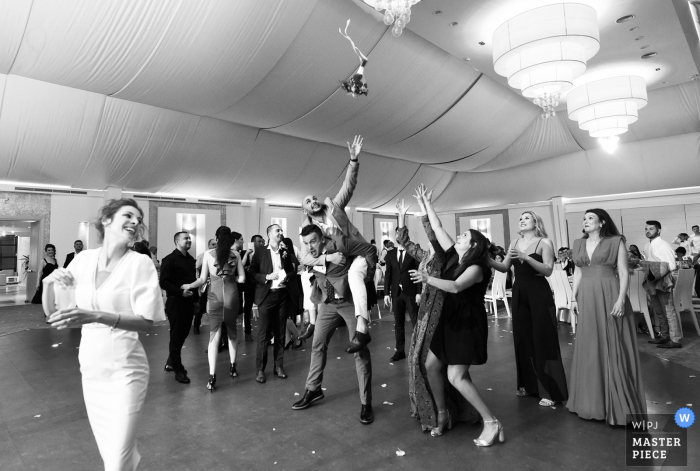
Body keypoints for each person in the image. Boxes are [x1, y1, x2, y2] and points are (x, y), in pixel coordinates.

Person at [42, 198, 165, 470]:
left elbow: (147, 322)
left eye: (139, 219)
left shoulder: (139, 263)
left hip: (127, 371)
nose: (135, 222)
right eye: (129, 215)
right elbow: (55, 314)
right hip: (92, 371)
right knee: (113, 454)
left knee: (117, 460)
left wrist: (96, 316)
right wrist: (48, 284)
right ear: (107, 220)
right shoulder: (82, 260)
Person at [407, 186, 503, 446]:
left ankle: (491, 422)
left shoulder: (477, 267)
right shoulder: (453, 257)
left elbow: (457, 287)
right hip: (449, 321)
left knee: (455, 376)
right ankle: (441, 412)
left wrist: (428, 278)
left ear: (473, 245)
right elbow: (437, 227)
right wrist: (427, 203)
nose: (457, 237)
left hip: (466, 325)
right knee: (431, 366)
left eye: (463, 236)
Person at [394, 196, 479, 435]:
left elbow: (434, 230)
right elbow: (403, 241)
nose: (431, 240)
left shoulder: (443, 257)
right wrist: (400, 215)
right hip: (424, 312)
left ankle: (444, 410)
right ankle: (431, 408)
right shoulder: (426, 256)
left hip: (438, 311)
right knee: (417, 360)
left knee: (430, 362)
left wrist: (424, 209)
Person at [568, 208, 646, 425]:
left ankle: (617, 404)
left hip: (610, 292)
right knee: (591, 345)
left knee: (613, 344)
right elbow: (579, 272)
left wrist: (621, 299)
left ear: (602, 222)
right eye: (584, 219)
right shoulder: (578, 243)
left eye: (590, 218)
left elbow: (622, 272)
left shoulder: (615, 241)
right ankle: (591, 402)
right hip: (587, 296)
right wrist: (573, 298)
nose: (586, 221)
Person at [292, 224, 374, 425]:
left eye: (313, 241)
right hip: (328, 305)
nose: (310, 246)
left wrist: (368, 271)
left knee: (360, 351)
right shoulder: (311, 256)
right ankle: (313, 389)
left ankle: (366, 403)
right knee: (317, 345)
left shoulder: (340, 246)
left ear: (322, 239)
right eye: (306, 243)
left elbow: (368, 250)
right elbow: (306, 262)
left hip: (349, 303)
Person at [300, 135, 373, 351]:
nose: (314, 201)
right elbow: (305, 257)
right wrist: (328, 257)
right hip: (333, 269)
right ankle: (313, 321)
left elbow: (348, 186)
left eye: (314, 197)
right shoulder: (307, 232)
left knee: (353, 276)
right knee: (308, 276)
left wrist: (353, 161)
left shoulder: (333, 207)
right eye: (308, 201)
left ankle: (361, 328)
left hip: (354, 253)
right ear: (305, 210)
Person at [492, 212, 568, 407]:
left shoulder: (544, 242)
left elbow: (548, 270)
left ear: (536, 222)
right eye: (521, 218)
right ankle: (528, 385)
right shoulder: (514, 243)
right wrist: (485, 259)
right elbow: (503, 267)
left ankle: (550, 391)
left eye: (527, 217)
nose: (522, 220)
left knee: (543, 337)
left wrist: (527, 257)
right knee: (522, 338)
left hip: (538, 290)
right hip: (520, 292)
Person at [185, 227, 245, 391]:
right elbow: (242, 278)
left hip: (214, 298)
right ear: (231, 239)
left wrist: (190, 285)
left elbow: (202, 279)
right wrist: (231, 278)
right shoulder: (236, 255)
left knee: (214, 335)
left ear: (216, 238)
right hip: (232, 296)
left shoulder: (208, 255)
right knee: (232, 333)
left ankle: (212, 375)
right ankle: (233, 367)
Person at [248, 224, 294, 383]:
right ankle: (260, 369)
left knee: (280, 332)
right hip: (266, 296)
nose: (281, 233)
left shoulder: (285, 251)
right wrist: (267, 277)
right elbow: (252, 272)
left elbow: (291, 270)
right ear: (269, 234)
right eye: (278, 230)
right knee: (263, 334)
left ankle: (278, 366)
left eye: (282, 230)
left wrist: (287, 276)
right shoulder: (260, 251)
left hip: (282, 295)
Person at [160, 232, 198, 384]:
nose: (189, 240)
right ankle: (178, 369)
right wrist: (181, 292)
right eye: (186, 238)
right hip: (175, 302)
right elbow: (163, 282)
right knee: (176, 336)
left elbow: (194, 281)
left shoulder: (190, 260)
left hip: (189, 302)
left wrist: (196, 301)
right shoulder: (169, 260)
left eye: (190, 238)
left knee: (183, 334)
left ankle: (171, 362)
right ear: (177, 241)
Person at [644, 220, 682, 349]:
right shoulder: (647, 246)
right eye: (646, 229)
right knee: (659, 310)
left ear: (658, 230)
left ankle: (675, 339)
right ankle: (665, 336)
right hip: (651, 280)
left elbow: (672, 264)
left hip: (663, 279)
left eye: (651, 229)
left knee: (668, 310)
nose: (648, 231)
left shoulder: (663, 245)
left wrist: (655, 274)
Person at [383, 237, 420, 362]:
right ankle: (400, 351)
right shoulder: (390, 253)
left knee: (415, 322)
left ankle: (418, 351)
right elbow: (388, 274)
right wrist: (386, 293)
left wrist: (419, 292)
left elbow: (418, 272)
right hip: (396, 293)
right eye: (397, 234)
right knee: (399, 323)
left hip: (411, 291)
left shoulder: (412, 251)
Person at [243, 234, 265, 342]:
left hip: (261, 285)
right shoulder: (246, 254)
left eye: (262, 241)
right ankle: (247, 332)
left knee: (264, 308)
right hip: (249, 285)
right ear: (253, 243)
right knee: (247, 309)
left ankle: (266, 332)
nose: (261, 243)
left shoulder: (265, 254)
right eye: (259, 241)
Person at [193, 238, 216, 336]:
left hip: (216, 284)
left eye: (216, 244)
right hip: (205, 284)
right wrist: (200, 280)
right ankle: (196, 325)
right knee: (201, 305)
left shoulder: (220, 254)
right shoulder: (203, 256)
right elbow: (196, 268)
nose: (215, 246)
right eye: (213, 244)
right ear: (209, 245)